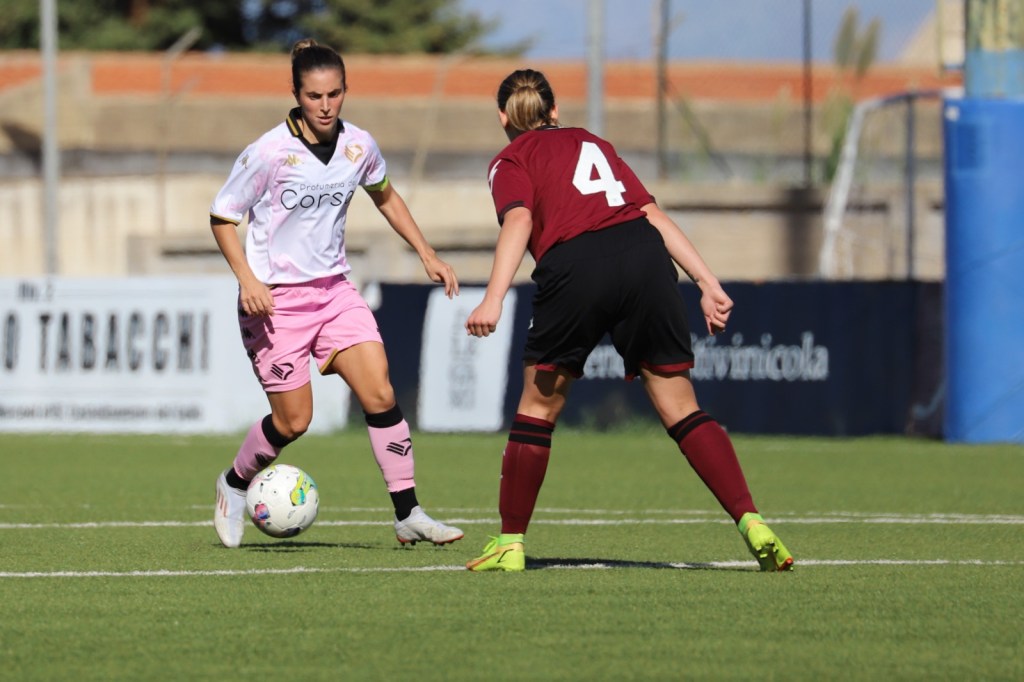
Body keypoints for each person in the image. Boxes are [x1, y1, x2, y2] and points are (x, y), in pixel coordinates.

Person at [463, 69, 793, 572]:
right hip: (644, 255)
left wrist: (493, 297)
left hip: (575, 264)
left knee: (538, 406)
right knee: (682, 407)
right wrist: (707, 282)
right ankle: (751, 519)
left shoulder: (509, 159)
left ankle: (510, 542)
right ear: (554, 111)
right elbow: (653, 216)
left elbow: (520, 219)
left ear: (503, 117)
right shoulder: (596, 143)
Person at [209, 38, 464, 549]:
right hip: (276, 302)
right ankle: (233, 484)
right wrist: (248, 280)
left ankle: (407, 511)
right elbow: (222, 217)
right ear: (297, 94)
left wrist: (427, 253)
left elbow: (385, 196)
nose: (325, 106)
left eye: (334, 94)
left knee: (381, 393)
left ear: (345, 90)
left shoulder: (359, 147)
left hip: (334, 292)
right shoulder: (268, 152)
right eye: (313, 96)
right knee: (294, 421)